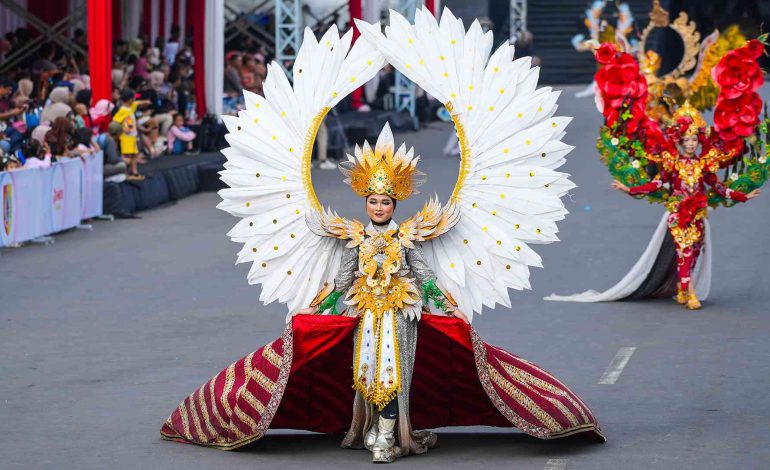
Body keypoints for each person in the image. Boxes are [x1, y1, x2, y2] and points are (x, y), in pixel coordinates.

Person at [160, 11, 604, 464]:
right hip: (362, 314)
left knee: (397, 374)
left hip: (403, 315)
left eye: (385, 203)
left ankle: (388, 435)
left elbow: (424, 274)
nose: (378, 208)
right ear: (364, 203)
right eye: (373, 202)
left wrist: (445, 301)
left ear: (396, 205)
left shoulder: (411, 235)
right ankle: (373, 428)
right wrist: (320, 305)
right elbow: (342, 278)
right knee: (366, 372)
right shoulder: (350, 236)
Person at [546, 40, 766, 309]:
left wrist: (744, 195)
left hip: (697, 213)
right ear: (678, 141)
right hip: (677, 213)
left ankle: (683, 287)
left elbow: (718, 187)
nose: (690, 144)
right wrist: (630, 190)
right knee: (684, 250)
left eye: (693, 140)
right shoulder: (671, 163)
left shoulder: (706, 163)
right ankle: (688, 292)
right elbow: (656, 184)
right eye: (685, 140)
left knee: (693, 252)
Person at [112, 88, 150, 179]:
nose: (135, 100)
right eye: (134, 98)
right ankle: (126, 173)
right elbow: (115, 121)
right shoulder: (123, 110)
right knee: (127, 155)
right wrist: (123, 130)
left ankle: (134, 171)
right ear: (130, 100)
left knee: (135, 154)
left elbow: (137, 103)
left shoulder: (131, 107)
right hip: (126, 136)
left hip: (133, 135)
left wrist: (145, 101)